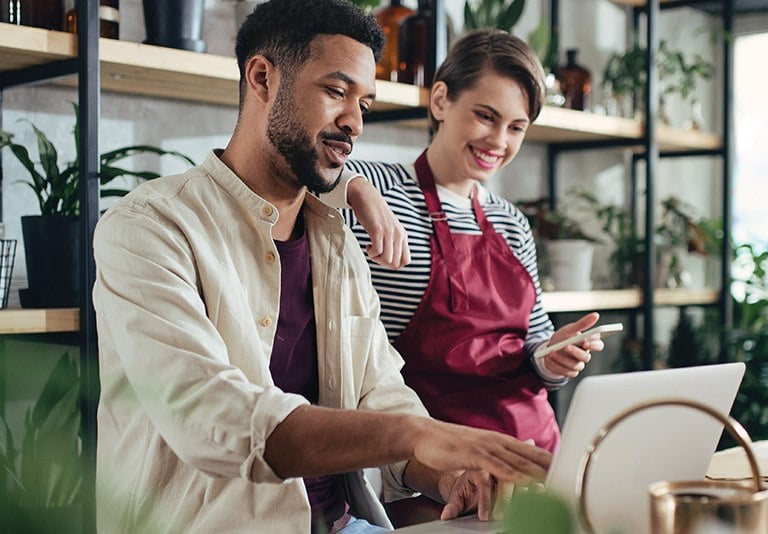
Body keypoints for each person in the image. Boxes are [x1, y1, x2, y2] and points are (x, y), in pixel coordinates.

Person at [92, 2, 553, 533]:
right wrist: (419, 434)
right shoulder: (150, 228)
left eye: (365, 103)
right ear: (262, 78)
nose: (354, 122)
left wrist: (449, 477)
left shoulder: (337, 242)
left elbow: (380, 393)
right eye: (336, 91)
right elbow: (210, 416)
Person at [337, 30, 607, 523]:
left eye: (516, 127)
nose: (498, 141)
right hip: (441, 474)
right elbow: (304, 176)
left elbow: (532, 351)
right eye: (486, 116)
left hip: (534, 458)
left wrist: (554, 356)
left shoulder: (511, 221)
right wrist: (354, 187)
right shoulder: (378, 189)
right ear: (441, 100)